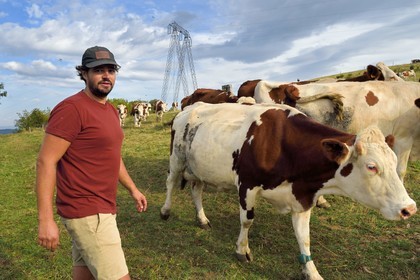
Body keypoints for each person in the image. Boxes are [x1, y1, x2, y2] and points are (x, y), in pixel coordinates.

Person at [36, 46, 148, 280]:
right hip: (87, 211)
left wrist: (133, 189)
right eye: (98, 70)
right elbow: (46, 161)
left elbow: (112, 156)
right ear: (84, 74)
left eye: (111, 70)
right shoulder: (72, 109)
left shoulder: (110, 111)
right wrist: (45, 220)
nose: (106, 75)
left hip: (102, 207)